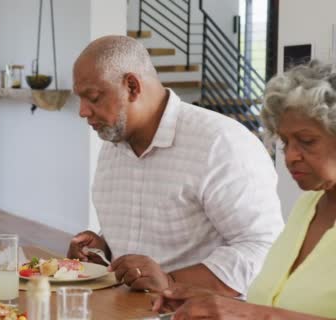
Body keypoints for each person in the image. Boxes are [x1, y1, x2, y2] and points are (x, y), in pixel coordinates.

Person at [68, 35, 284, 296]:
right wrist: (103, 249)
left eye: (93, 97)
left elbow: (264, 248)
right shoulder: (113, 145)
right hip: (124, 309)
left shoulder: (221, 143)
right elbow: (145, 237)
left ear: (132, 87)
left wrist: (169, 281)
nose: (82, 111)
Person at [153, 60, 336, 319]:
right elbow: (280, 305)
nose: (291, 156)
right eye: (285, 142)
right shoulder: (307, 207)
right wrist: (213, 303)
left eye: (306, 141)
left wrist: (248, 313)